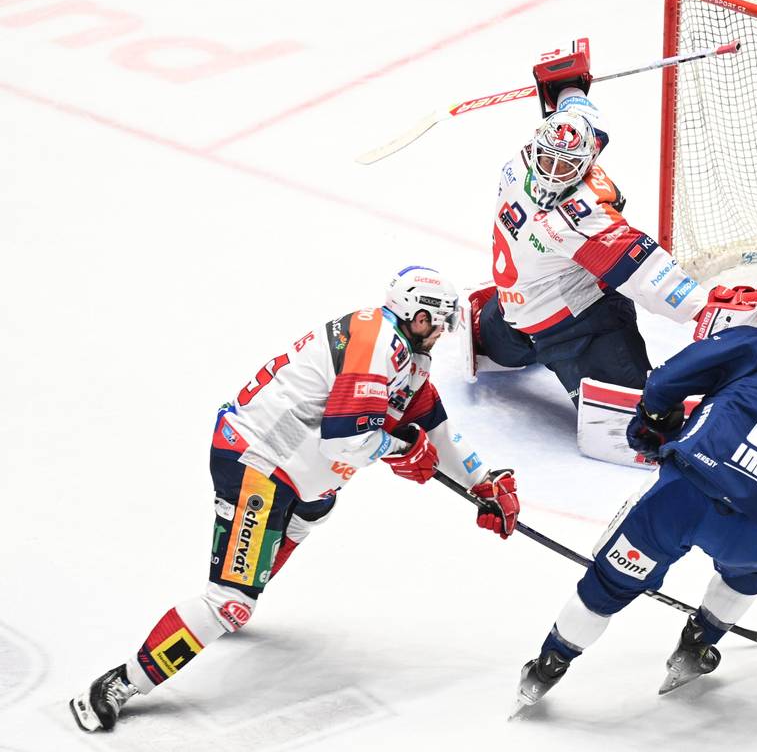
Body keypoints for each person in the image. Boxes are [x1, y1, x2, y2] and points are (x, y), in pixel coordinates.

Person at [69, 266, 521, 733]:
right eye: (441, 322)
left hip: (291, 462)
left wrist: (483, 481)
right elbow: (345, 442)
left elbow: (433, 426)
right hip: (258, 462)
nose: (444, 333)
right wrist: (400, 448)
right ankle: (122, 681)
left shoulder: (402, 350)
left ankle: (245, 579)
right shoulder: (376, 344)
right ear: (420, 316)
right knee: (230, 603)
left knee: (316, 504)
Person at [512, 287, 757, 711]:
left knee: (610, 582)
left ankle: (547, 668)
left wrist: (657, 419)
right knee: (754, 572)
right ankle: (697, 645)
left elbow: (666, 380)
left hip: (683, 492)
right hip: (756, 525)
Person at [467, 41, 757, 404]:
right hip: (571, 327)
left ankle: (491, 332)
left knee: (499, 336)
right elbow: (644, 270)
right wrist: (703, 308)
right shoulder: (578, 217)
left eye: (565, 165)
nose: (553, 172)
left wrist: (566, 87)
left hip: (510, 311)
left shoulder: (519, 162)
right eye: (549, 160)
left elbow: (581, 116)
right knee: (642, 412)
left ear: (588, 158)